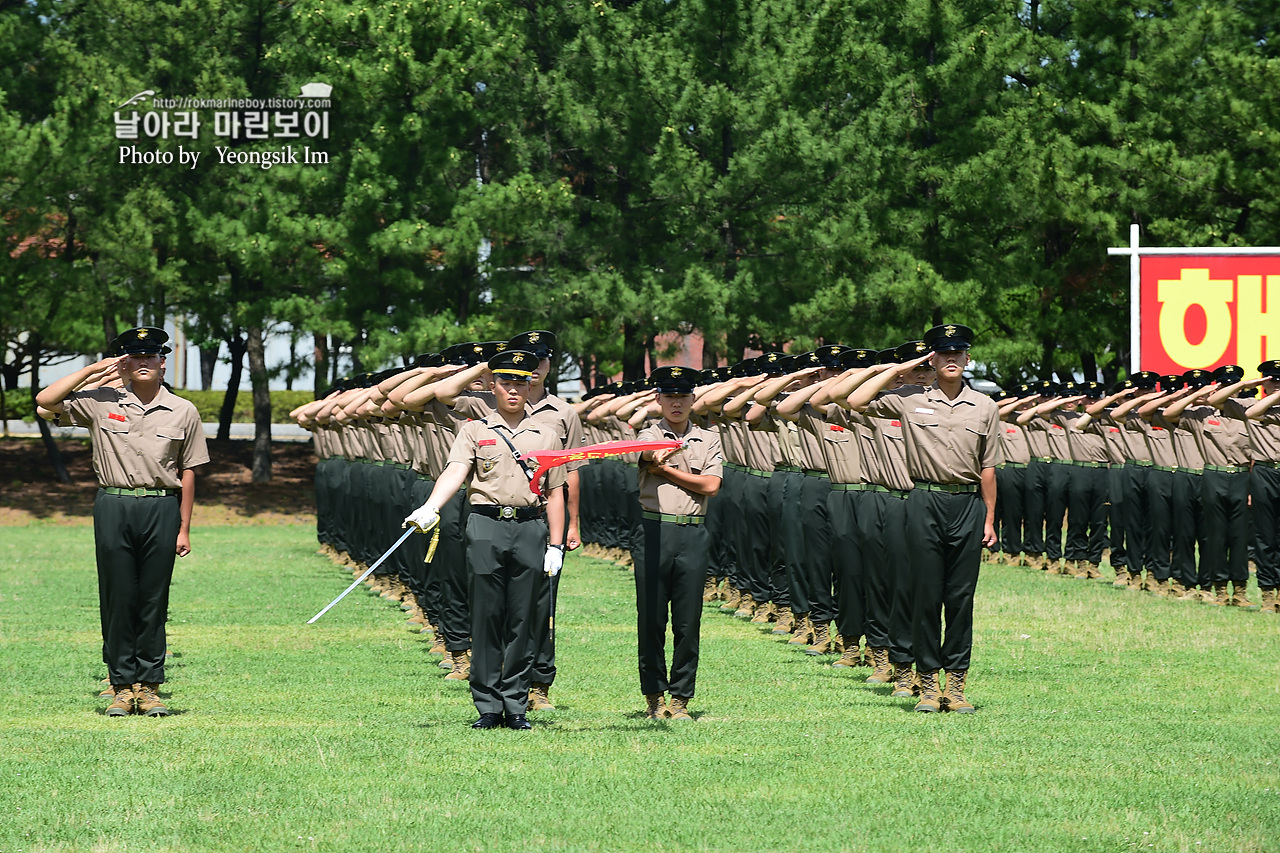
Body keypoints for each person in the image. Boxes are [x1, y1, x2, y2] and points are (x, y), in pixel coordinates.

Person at [36, 327, 210, 717]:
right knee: (117, 597)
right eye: (134, 355)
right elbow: (46, 401)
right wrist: (96, 369)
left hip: (161, 507)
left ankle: (148, 687)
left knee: (153, 597)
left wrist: (183, 527)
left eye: (151, 355)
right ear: (125, 362)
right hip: (114, 503)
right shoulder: (100, 402)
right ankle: (119, 686)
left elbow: (189, 471)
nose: (144, 361)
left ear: (163, 363)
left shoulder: (184, 411)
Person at [403, 350, 567, 730]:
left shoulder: (547, 433)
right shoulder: (475, 429)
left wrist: (555, 544)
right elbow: (456, 471)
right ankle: (488, 705)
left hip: (529, 526)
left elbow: (556, 491)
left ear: (530, 386)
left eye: (520, 383)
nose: (512, 390)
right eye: (505, 383)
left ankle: (517, 704)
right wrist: (431, 507)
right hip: (486, 525)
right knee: (486, 615)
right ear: (492, 387)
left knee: (523, 618)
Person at [848, 323, 1001, 714]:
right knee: (926, 595)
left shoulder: (985, 406)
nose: (951, 359)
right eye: (942, 353)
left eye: (958, 352)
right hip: (923, 502)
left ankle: (957, 685)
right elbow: (854, 400)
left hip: (967, 506)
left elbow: (987, 468)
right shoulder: (907, 397)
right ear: (931, 358)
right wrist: (902, 369)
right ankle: (929, 684)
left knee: (961, 598)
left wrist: (989, 519)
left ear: (968, 358)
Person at [631, 366, 723, 720]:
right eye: (669, 395)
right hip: (654, 531)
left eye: (683, 395)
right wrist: (656, 460)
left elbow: (711, 486)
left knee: (688, 621)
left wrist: (667, 472)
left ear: (693, 399)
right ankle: (654, 696)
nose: (676, 402)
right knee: (651, 618)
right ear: (658, 399)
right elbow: (646, 457)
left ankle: (682, 698)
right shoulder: (646, 435)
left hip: (693, 533)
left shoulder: (709, 439)